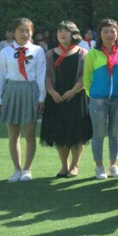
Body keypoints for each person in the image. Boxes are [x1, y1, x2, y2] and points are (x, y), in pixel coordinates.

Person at [0, 18, 46, 182]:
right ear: (13, 33)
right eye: (21, 30)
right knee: (13, 133)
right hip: (11, 91)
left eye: (27, 30)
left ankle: (27, 169)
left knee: (29, 133)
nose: (24, 34)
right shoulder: (5, 51)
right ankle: (16, 169)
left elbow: (41, 75)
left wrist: (42, 96)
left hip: (30, 91)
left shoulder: (38, 50)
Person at [41, 21, 92, 178]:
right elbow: (46, 76)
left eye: (66, 31)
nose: (62, 33)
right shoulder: (50, 54)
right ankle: (64, 165)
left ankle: (75, 165)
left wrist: (73, 91)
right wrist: (52, 92)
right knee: (60, 133)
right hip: (56, 99)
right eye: (60, 31)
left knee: (78, 133)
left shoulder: (83, 53)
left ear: (74, 34)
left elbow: (85, 76)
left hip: (77, 98)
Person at [84, 19, 118, 180]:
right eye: (105, 31)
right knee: (98, 134)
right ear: (100, 34)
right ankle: (99, 167)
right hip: (98, 99)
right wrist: (92, 94)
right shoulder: (93, 53)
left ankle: (113, 165)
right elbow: (87, 77)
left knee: (115, 133)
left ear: (117, 33)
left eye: (112, 31)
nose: (109, 34)